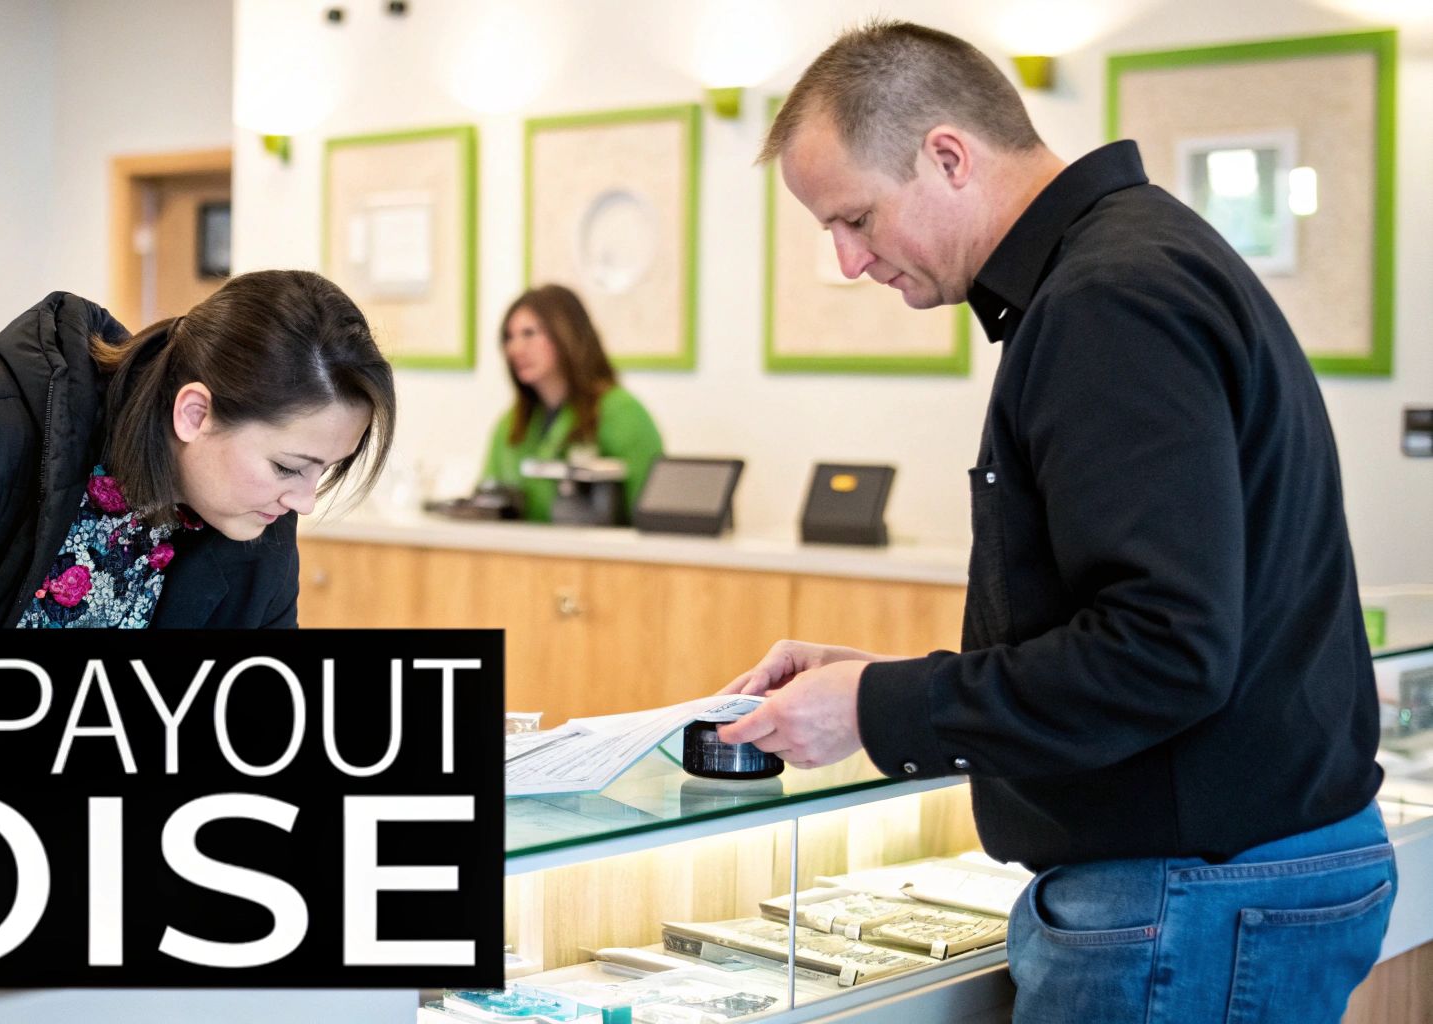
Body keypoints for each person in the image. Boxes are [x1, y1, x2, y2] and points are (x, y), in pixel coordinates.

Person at [716, 19, 1393, 1023]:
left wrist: (877, 710)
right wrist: (871, 682)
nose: (848, 261)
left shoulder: (1106, 299)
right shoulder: (1135, 257)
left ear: (946, 154)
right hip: (1227, 875)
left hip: (1190, 893)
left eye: (853, 218)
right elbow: (1149, 617)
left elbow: (1162, 650)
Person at [0, 270, 394, 629]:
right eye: (289, 466)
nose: (304, 501)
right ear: (195, 412)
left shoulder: (250, 514)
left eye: (322, 472)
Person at [482, 284, 663, 523]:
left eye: (529, 333)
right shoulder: (511, 425)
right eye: (509, 337)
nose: (515, 348)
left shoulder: (620, 411)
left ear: (566, 333)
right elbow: (483, 503)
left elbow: (653, 513)